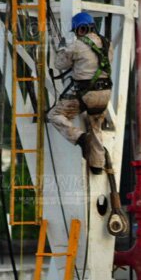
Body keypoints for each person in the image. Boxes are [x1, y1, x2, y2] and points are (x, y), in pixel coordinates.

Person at [48, 11, 113, 175]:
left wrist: (63, 49)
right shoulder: (106, 43)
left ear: (79, 29)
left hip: (86, 94)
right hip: (105, 93)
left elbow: (59, 65)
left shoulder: (76, 45)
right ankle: (97, 165)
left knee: (55, 115)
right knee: (96, 125)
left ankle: (80, 138)